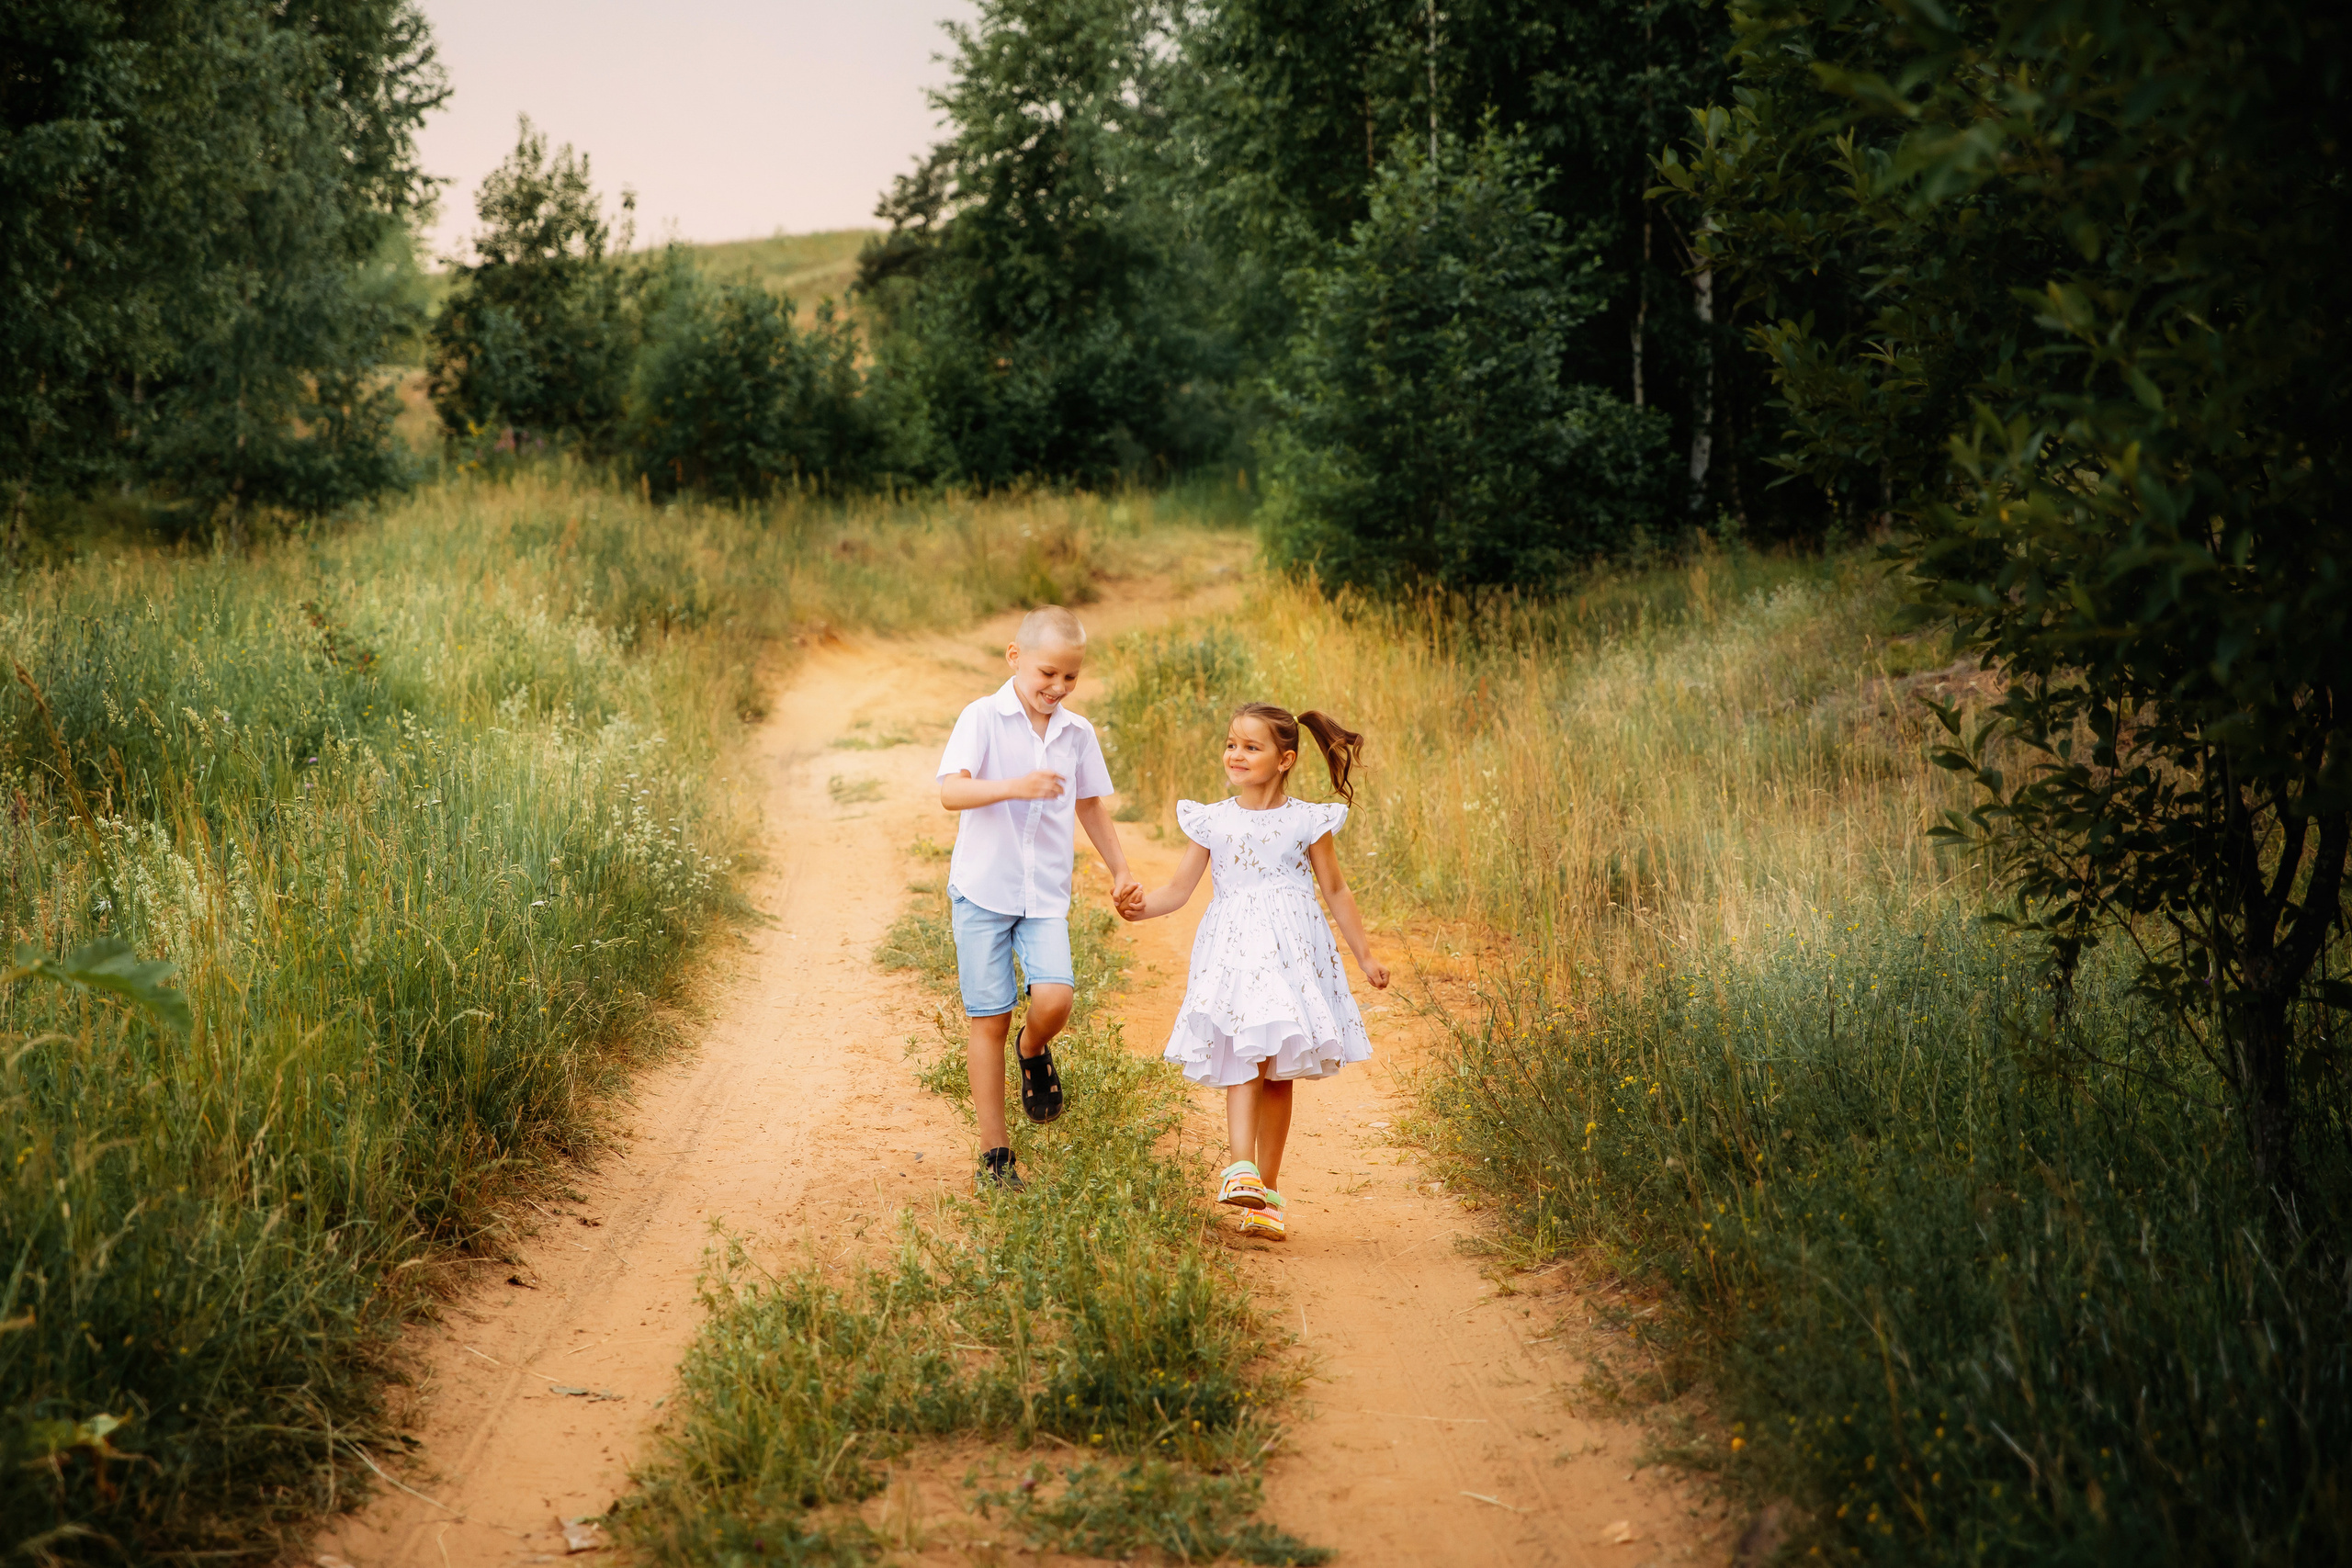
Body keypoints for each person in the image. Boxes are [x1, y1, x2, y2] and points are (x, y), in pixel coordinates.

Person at [1117, 702, 1389, 1239]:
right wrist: (1139, 909)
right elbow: (1178, 890)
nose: (1235, 755)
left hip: (1292, 953)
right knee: (1246, 1052)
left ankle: (1265, 1192)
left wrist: (1365, 955)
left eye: (1250, 747)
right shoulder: (1213, 820)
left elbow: (1335, 889)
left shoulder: (1308, 820)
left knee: (1278, 1072)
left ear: (1285, 760)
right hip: (1236, 952)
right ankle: (1241, 1169)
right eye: (1230, 744)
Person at [937, 604, 1141, 1192]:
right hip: (983, 890)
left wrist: (1121, 869)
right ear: (1015, 657)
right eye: (1047, 673)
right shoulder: (982, 717)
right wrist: (1013, 787)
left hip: (1044, 893)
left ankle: (1033, 1049)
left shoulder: (1077, 734)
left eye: (1071, 676)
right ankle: (996, 1155)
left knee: (1055, 999)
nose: (1058, 687)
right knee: (989, 1020)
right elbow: (951, 792)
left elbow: (1090, 804)